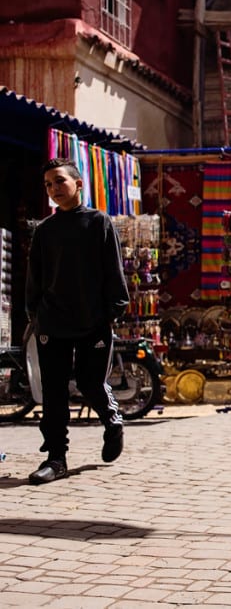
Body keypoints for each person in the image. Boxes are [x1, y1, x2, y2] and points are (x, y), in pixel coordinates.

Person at [24, 157, 131, 485]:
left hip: (92, 320)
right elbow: (35, 277)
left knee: (90, 381)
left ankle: (112, 422)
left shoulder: (98, 222)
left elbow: (113, 269)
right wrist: (35, 315)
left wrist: (113, 311)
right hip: (52, 322)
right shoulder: (45, 230)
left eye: (60, 181)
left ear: (78, 184)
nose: (54, 189)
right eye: (48, 184)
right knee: (53, 391)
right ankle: (56, 458)